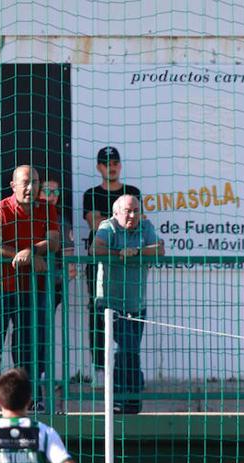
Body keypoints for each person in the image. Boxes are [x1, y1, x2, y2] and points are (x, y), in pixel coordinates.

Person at [0, 165, 60, 414]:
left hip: (30, 290)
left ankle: (28, 399)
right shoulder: (0, 209)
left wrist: (32, 251)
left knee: (28, 346)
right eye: (24, 182)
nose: (30, 187)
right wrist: (22, 255)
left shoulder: (47, 207)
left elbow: (55, 241)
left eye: (34, 182)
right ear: (13, 185)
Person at [92, 194, 164, 414]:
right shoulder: (108, 227)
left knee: (130, 352)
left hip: (137, 304)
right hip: (111, 305)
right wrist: (119, 253)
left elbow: (159, 250)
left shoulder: (145, 226)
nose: (132, 215)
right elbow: (95, 249)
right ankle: (124, 399)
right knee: (126, 350)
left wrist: (137, 252)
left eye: (135, 210)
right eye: (127, 211)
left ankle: (131, 401)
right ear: (116, 213)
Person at [78, 147, 142, 386]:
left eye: (115, 162)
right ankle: (99, 369)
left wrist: (116, 223)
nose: (111, 167)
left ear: (120, 165)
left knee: (131, 314)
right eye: (106, 163)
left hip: (129, 264)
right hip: (100, 263)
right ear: (99, 167)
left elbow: (138, 222)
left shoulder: (132, 192)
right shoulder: (91, 194)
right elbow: (95, 223)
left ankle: (128, 371)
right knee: (98, 314)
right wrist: (122, 224)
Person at [35, 176, 76, 403]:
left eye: (55, 192)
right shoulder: (27, 215)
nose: (51, 196)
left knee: (42, 338)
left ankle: (40, 392)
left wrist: (58, 277)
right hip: (23, 286)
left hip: (50, 290)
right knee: (23, 338)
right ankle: (25, 390)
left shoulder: (61, 220)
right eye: (46, 191)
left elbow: (70, 265)